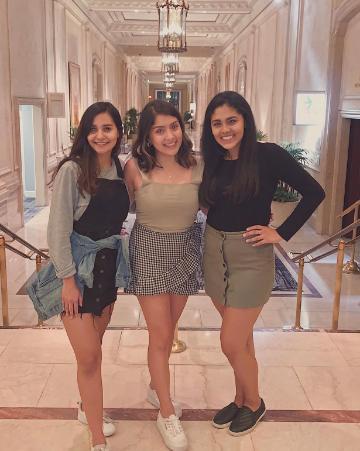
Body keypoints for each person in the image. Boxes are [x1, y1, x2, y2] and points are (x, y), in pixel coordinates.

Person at [199, 91, 325, 436]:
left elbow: (314, 192)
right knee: (241, 340)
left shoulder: (268, 155)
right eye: (217, 123)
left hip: (251, 255)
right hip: (214, 251)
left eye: (231, 121)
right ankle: (241, 398)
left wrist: (280, 232)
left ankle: (254, 402)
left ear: (246, 121)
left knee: (229, 341)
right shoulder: (214, 159)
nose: (225, 129)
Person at [48, 102, 130, 451]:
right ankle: (96, 438)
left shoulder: (120, 169)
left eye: (107, 128)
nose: (100, 135)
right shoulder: (72, 171)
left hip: (107, 269)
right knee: (90, 357)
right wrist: (67, 279)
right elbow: (57, 230)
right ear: (85, 132)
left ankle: (87, 406)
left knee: (94, 348)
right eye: (93, 128)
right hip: (78, 272)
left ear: (117, 133)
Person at [124, 100, 203, 451]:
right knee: (159, 335)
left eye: (174, 126)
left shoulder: (198, 166)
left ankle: (157, 389)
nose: (169, 135)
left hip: (186, 249)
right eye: (159, 129)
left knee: (169, 330)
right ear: (148, 136)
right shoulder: (134, 168)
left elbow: (219, 204)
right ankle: (166, 413)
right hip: (149, 251)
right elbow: (117, 205)